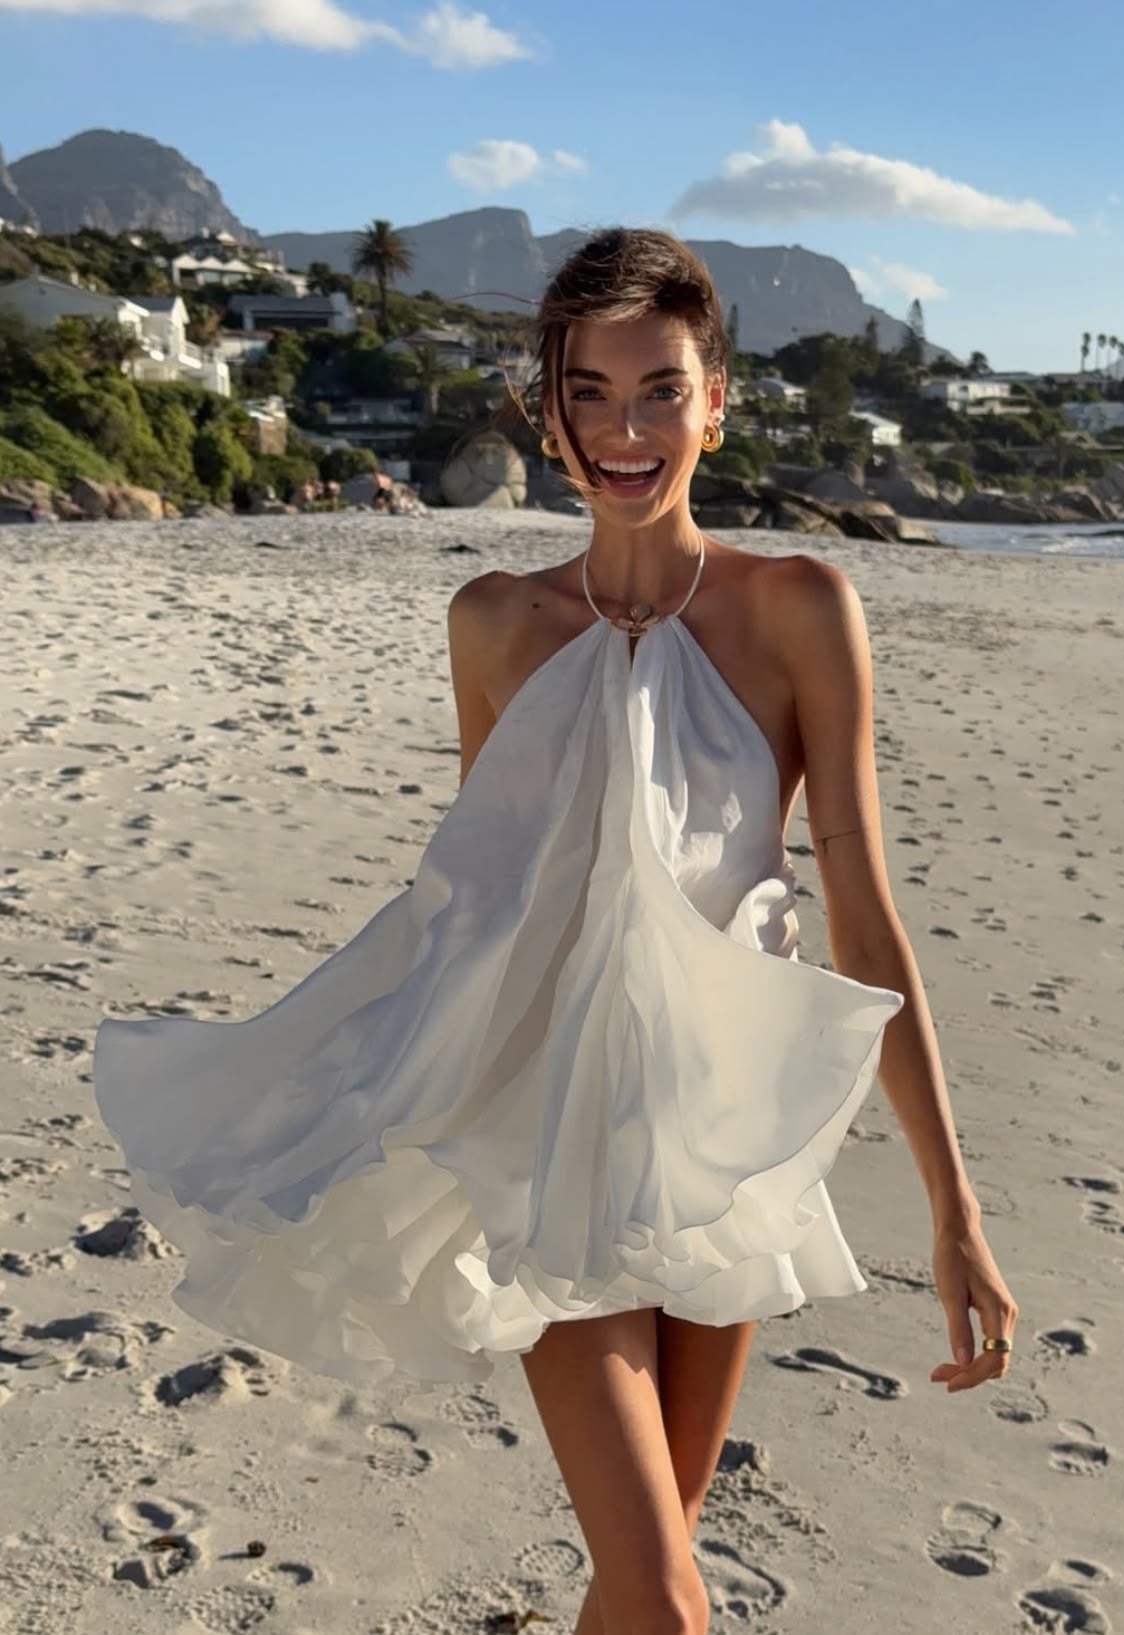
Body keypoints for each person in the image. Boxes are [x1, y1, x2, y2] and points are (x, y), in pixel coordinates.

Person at [92, 227, 1017, 1635]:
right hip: (540, 1141)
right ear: (546, 410)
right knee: (667, 1595)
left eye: (659, 390)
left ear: (716, 403)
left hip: (719, 1145)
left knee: (647, 1586)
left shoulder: (798, 611)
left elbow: (863, 916)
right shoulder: (494, 624)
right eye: (588, 392)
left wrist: (954, 1210)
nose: (623, 430)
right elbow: (483, 907)